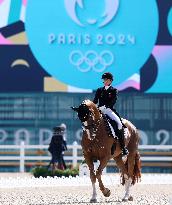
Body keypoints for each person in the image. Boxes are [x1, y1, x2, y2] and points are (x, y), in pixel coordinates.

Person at [93, 72, 129, 156]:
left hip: (109, 110)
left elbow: (113, 101)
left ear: (110, 81)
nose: (104, 81)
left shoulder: (114, 90)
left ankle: (123, 147)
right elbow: (95, 101)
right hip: (99, 110)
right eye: (104, 80)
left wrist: (105, 107)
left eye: (106, 80)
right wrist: (94, 106)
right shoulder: (99, 90)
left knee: (119, 124)